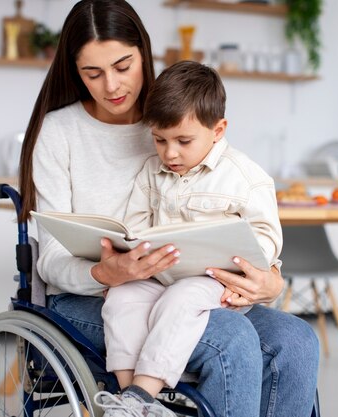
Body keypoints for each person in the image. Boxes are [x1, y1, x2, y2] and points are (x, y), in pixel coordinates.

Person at [18, 1, 320, 416]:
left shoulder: (174, 119)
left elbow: (231, 207)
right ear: (74, 72)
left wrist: (269, 281)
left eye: (123, 66)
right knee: (229, 339)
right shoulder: (60, 133)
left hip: (186, 285)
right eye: (93, 73)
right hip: (90, 297)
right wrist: (103, 273)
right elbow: (50, 260)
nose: (111, 86)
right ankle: (135, 402)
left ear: (144, 53)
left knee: (296, 340)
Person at [99, 60, 284, 416]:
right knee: (121, 296)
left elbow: (266, 237)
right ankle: (125, 401)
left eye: (183, 141)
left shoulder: (245, 177)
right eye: (159, 140)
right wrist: (128, 247)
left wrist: (247, 264)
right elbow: (135, 223)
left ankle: (143, 393)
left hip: (216, 283)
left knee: (183, 298)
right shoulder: (151, 172)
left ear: (218, 130)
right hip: (162, 277)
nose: (169, 153)